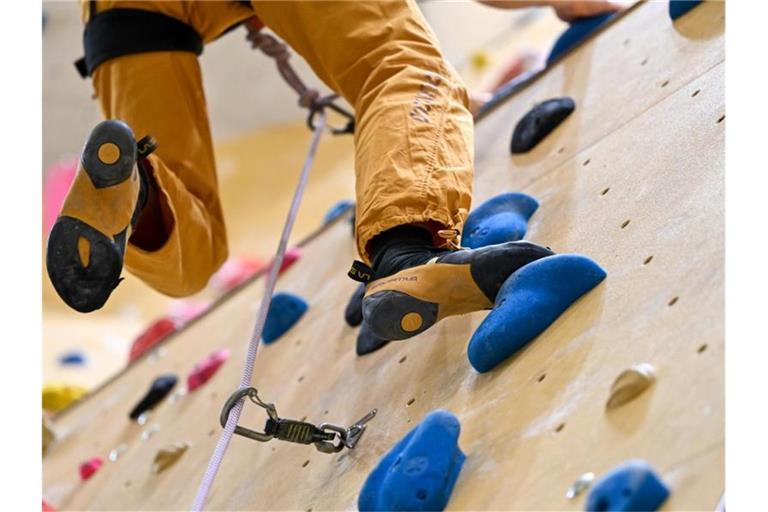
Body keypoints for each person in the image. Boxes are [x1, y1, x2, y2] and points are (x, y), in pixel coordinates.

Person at [46, 1, 614, 341]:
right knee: (400, 71)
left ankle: (142, 195)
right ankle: (405, 255)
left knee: (190, 249)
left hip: (122, 9)